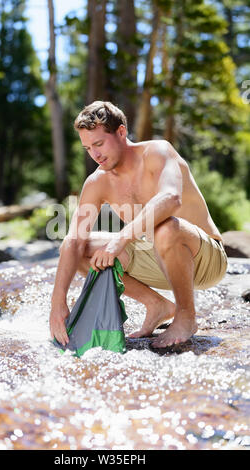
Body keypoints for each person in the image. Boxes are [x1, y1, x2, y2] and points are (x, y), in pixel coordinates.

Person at [49, 101, 227, 349]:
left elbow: (170, 198)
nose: (95, 154)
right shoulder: (97, 182)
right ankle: (158, 305)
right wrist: (57, 303)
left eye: (99, 144)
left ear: (121, 132)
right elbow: (73, 240)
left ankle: (186, 316)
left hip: (205, 258)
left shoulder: (157, 152)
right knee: (82, 249)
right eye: (88, 148)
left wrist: (118, 240)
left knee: (166, 227)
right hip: (157, 259)